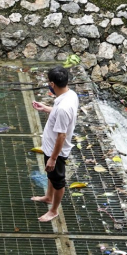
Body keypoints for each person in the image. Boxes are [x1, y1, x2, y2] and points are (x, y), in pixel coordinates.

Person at [31, 67, 80, 223]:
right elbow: (61, 115)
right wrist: (47, 109)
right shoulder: (70, 95)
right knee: (51, 175)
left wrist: (53, 158)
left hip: (55, 150)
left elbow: (61, 135)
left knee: (58, 181)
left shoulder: (63, 109)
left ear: (52, 83)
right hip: (51, 148)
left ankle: (53, 211)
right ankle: (48, 197)